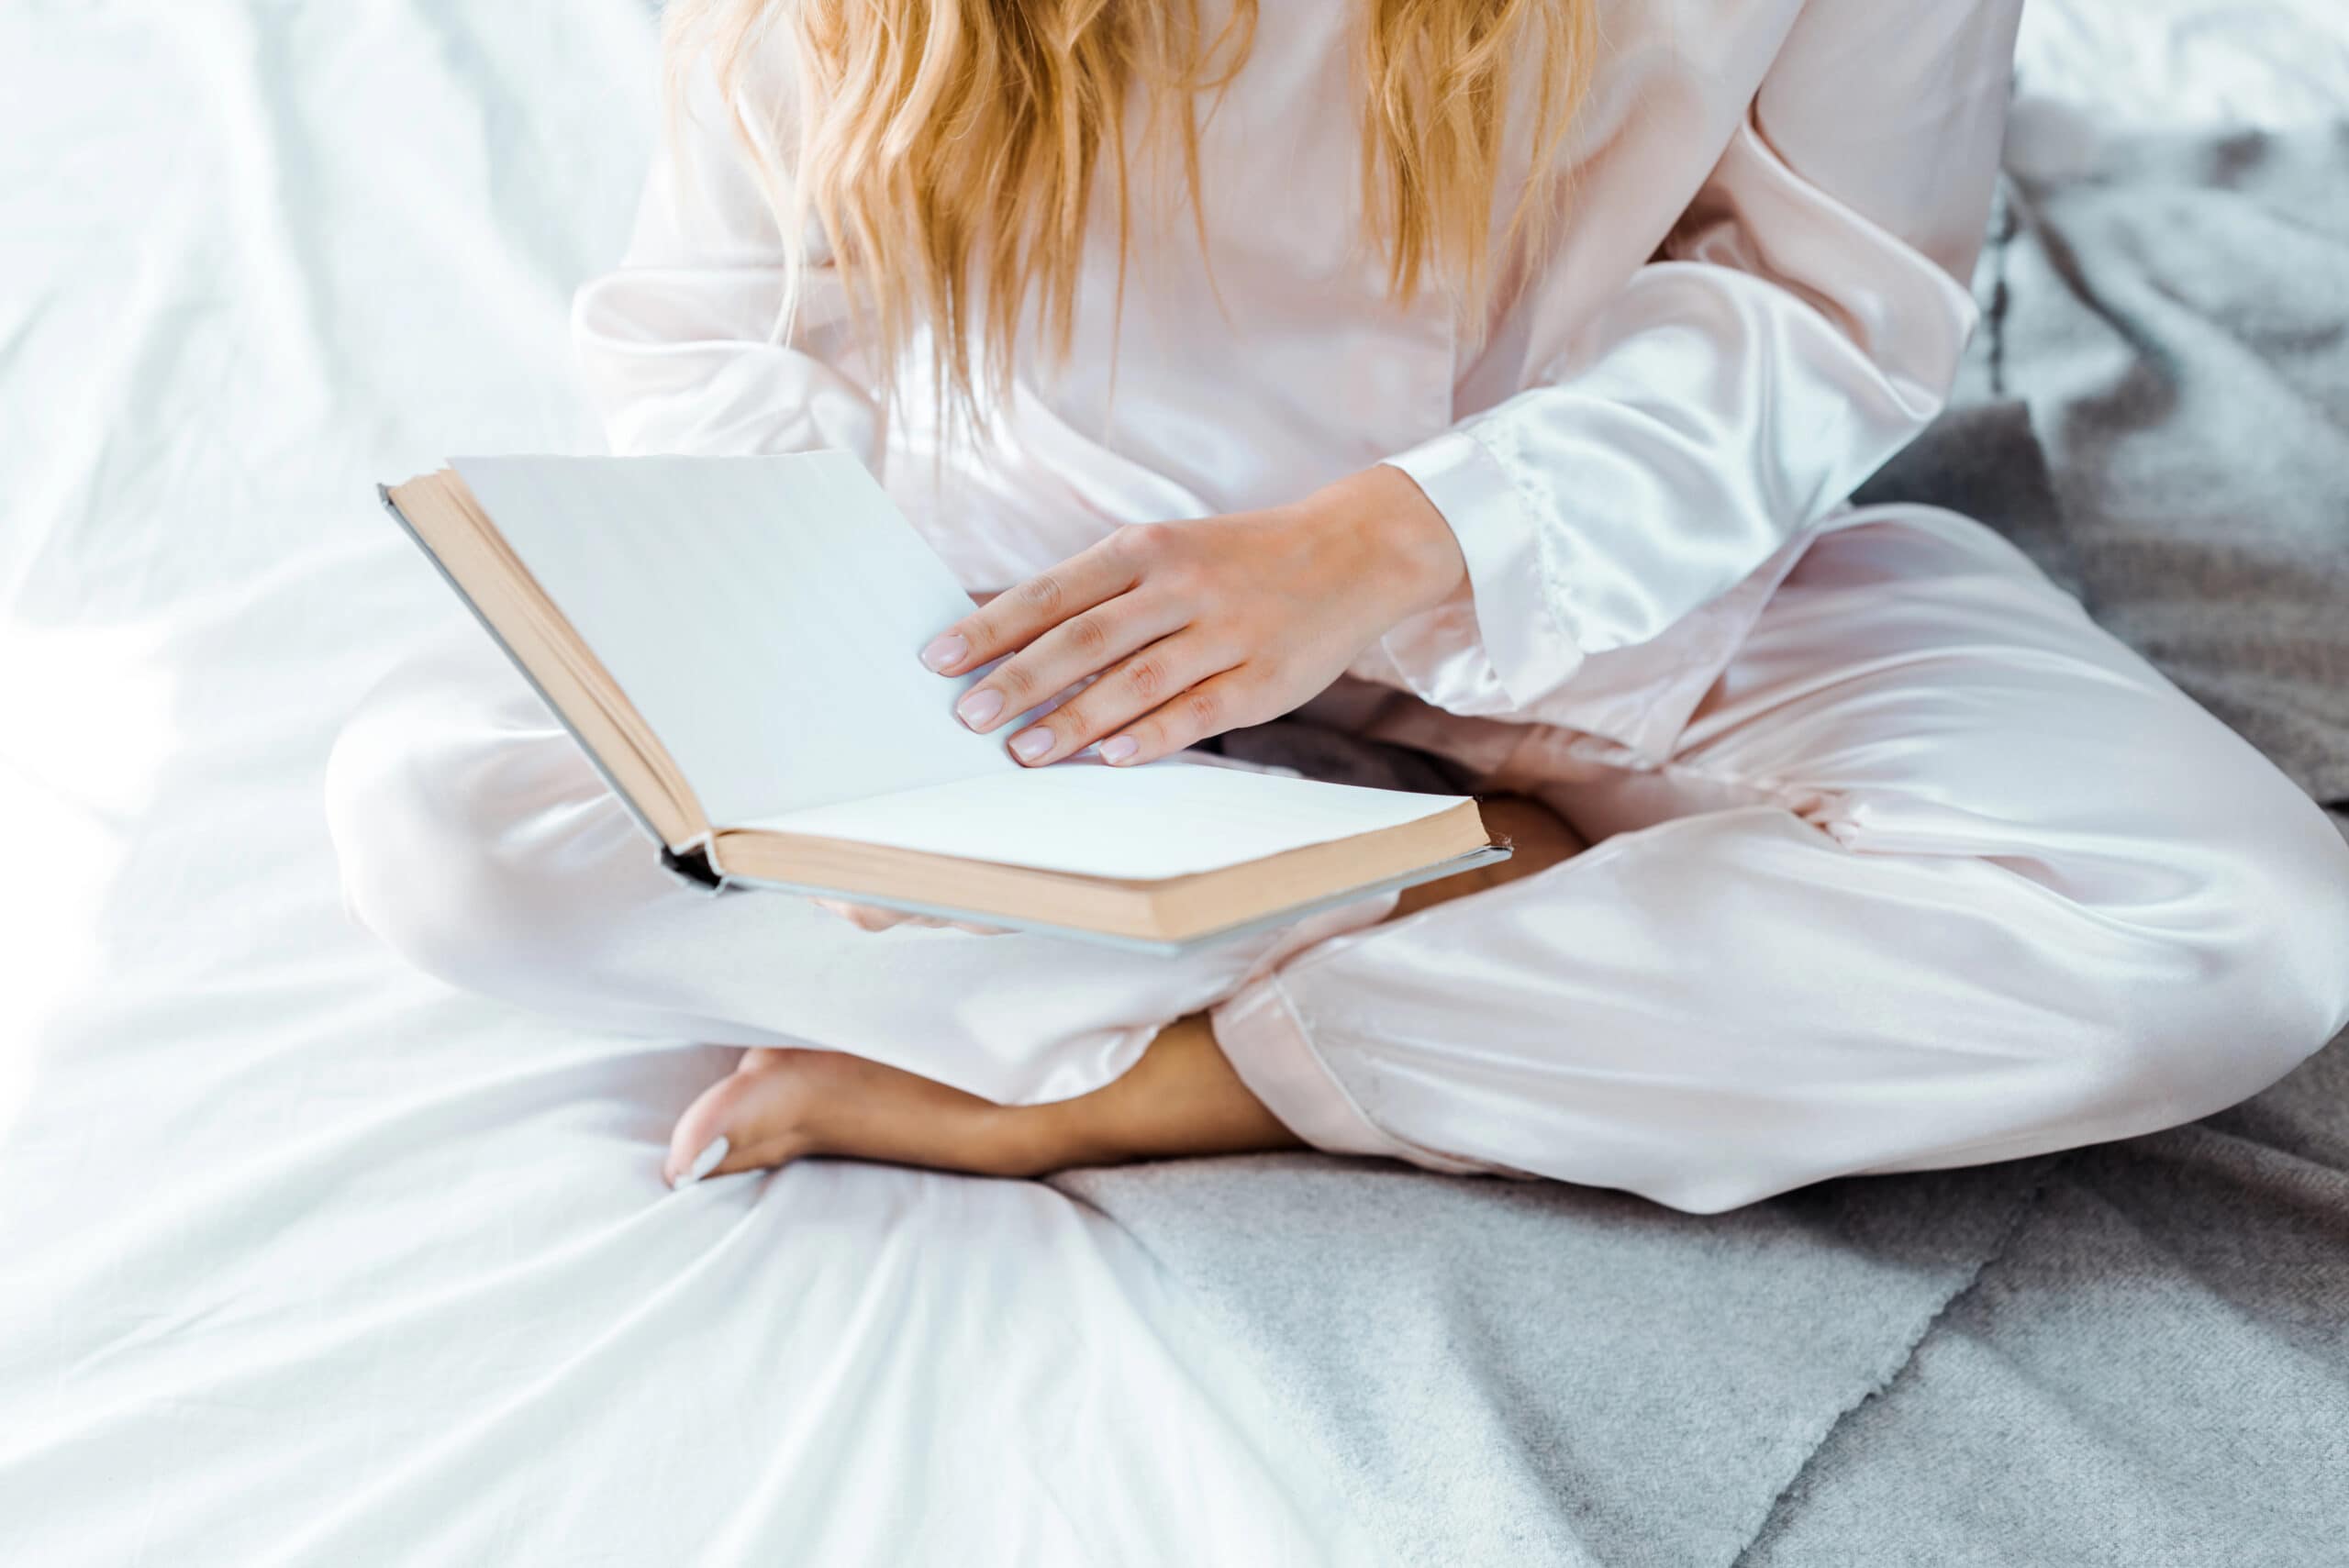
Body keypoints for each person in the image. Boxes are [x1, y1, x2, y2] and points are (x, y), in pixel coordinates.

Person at [327, 0, 2349, 1213]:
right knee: (440, 814)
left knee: (2222, 931)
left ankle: (1168, 1073)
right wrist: (829, 679)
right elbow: (724, 319)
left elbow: (1826, 306)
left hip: (1598, 580)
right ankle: (1474, 897)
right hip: (1018, 615)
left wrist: (1386, 545)